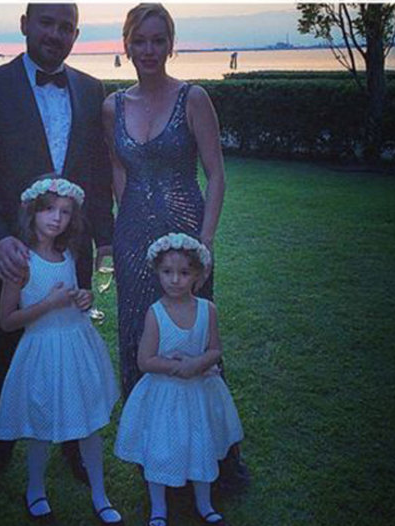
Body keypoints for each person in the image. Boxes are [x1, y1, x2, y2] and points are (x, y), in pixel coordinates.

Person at [0, 3, 114, 495]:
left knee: (67, 345)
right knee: (2, 349)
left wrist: (105, 239)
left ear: (76, 34)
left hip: (72, 252)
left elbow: (97, 173)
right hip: (12, 254)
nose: (56, 34)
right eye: (47, 22)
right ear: (26, 25)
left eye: (66, 27)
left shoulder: (91, 90)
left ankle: (71, 443)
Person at [102, 3, 247, 492]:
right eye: (139, 40)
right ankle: (153, 455)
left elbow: (216, 174)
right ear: (126, 45)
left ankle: (214, 456)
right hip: (133, 242)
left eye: (158, 40)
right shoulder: (112, 107)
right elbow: (117, 169)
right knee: (138, 340)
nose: (149, 50)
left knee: (194, 340)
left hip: (187, 243)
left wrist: (204, 243)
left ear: (170, 44)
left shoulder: (194, 98)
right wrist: (126, 225)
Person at [0, 177, 124, 526]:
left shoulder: (69, 254)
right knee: (40, 424)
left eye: (65, 212)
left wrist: (84, 298)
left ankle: (100, 495)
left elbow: (76, 295)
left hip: (77, 348)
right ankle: (36, 490)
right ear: (32, 213)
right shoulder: (21, 262)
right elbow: (6, 320)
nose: (57, 218)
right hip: (43, 351)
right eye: (49, 210)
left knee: (90, 425)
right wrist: (48, 303)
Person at [115, 233, 243, 526]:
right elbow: (145, 360)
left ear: (198, 274)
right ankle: (158, 508)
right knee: (161, 447)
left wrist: (196, 364)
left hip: (198, 393)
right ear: (157, 272)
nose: (175, 280)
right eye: (167, 272)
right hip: (165, 395)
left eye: (184, 272)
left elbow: (215, 349)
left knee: (201, 444)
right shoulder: (156, 313)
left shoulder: (207, 310)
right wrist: (176, 367)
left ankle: (205, 504)